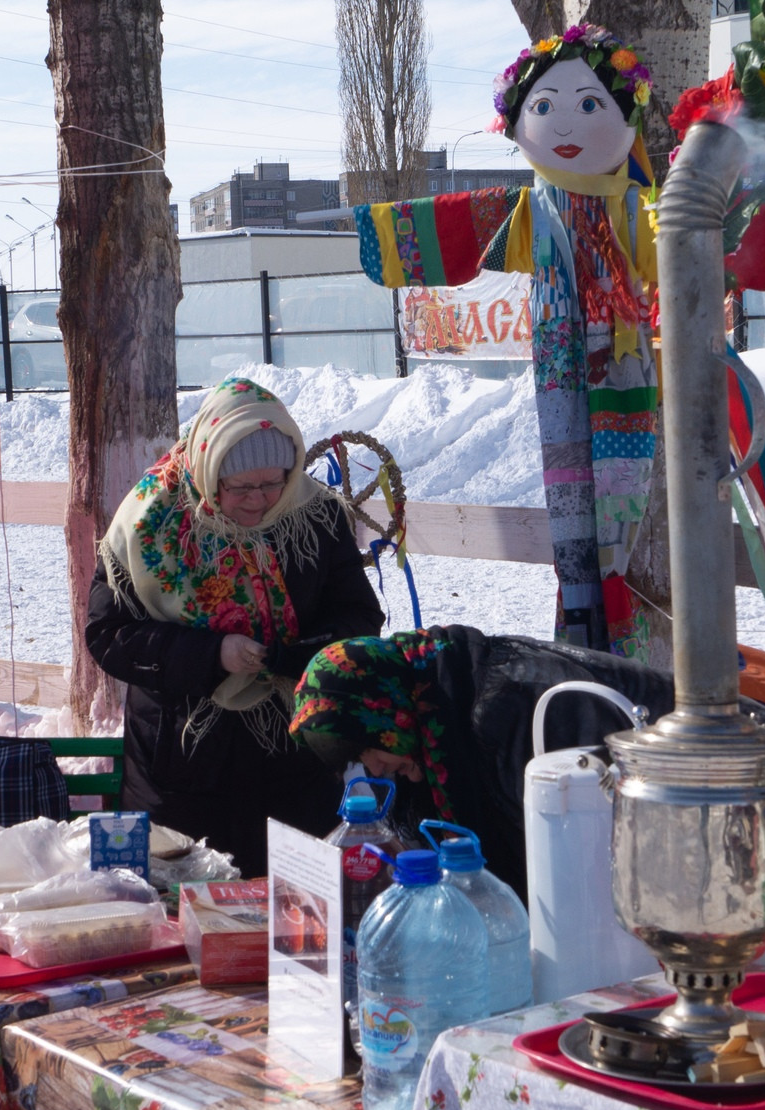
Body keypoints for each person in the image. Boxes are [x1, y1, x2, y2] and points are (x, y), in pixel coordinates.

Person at [87, 379, 384, 877]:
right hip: (180, 764)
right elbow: (108, 634)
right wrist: (212, 654)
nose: (259, 501)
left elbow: (358, 618)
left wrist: (292, 656)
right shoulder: (151, 524)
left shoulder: (316, 513)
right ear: (208, 472)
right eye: (241, 488)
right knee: (183, 915)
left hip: (293, 758)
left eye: (274, 483)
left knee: (290, 912)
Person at [286, 624, 674, 897]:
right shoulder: (431, 699)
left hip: (693, 784)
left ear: (385, 713)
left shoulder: (499, 710)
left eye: (369, 747)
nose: (374, 769)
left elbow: (566, 856)